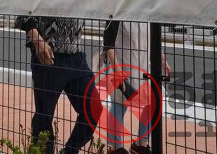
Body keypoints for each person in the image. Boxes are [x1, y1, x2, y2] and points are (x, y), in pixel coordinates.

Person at [16, 16, 102, 154]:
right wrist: (37, 40)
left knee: (94, 107)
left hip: (76, 55)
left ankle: (69, 151)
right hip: (49, 56)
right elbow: (23, 13)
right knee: (44, 117)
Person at [101, 21, 171, 154]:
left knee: (153, 102)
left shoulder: (149, 13)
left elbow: (154, 39)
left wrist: (163, 60)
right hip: (123, 65)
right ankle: (115, 148)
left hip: (145, 67)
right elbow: (108, 43)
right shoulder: (117, 12)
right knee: (119, 105)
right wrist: (117, 70)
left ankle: (140, 145)